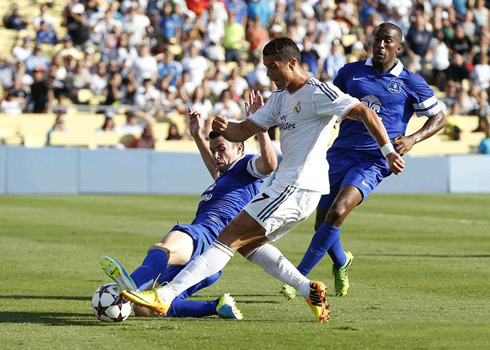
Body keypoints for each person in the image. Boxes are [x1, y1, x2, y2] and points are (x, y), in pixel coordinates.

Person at [122, 37, 405, 323]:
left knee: (228, 237)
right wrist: (224, 127)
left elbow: (366, 113)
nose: (268, 74)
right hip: (287, 186)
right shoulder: (279, 99)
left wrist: (389, 152)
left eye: (273, 67)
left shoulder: (319, 92)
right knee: (248, 245)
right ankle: (309, 289)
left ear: (292, 63)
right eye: (266, 67)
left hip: (298, 185)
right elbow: (243, 130)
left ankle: (165, 295)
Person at [280, 23, 446, 300]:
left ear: (399, 47)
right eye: (377, 39)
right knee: (321, 221)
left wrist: (413, 139)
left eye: (387, 41)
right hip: (339, 153)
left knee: (337, 212)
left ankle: (297, 279)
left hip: (375, 159)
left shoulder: (411, 81)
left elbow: (439, 118)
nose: (381, 45)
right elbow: (329, 104)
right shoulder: (350, 73)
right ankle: (341, 260)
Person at [101, 105, 277, 319]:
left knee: (162, 249)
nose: (217, 155)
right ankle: (216, 306)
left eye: (222, 148)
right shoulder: (227, 177)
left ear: (239, 149)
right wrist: (196, 135)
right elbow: (214, 167)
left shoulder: (245, 167)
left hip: (205, 234)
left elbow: (269, 165)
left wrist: (260, 127)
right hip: (213, 261)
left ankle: (132, 284)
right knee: (147, 309)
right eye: (214, 150)